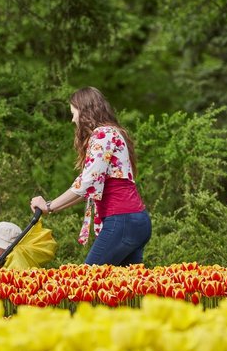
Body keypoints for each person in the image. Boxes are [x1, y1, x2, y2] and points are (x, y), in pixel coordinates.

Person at [30, 87, 151, 266]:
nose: (73, 119)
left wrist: (49, 206)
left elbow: (86, 183)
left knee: (88, 283)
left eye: (74, 113)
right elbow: (88, 188)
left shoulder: (102, 135)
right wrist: (51, 208)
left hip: (122, 220)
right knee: (122, 291)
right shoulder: (113, 132)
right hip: (135, 220)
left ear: (85, 111)